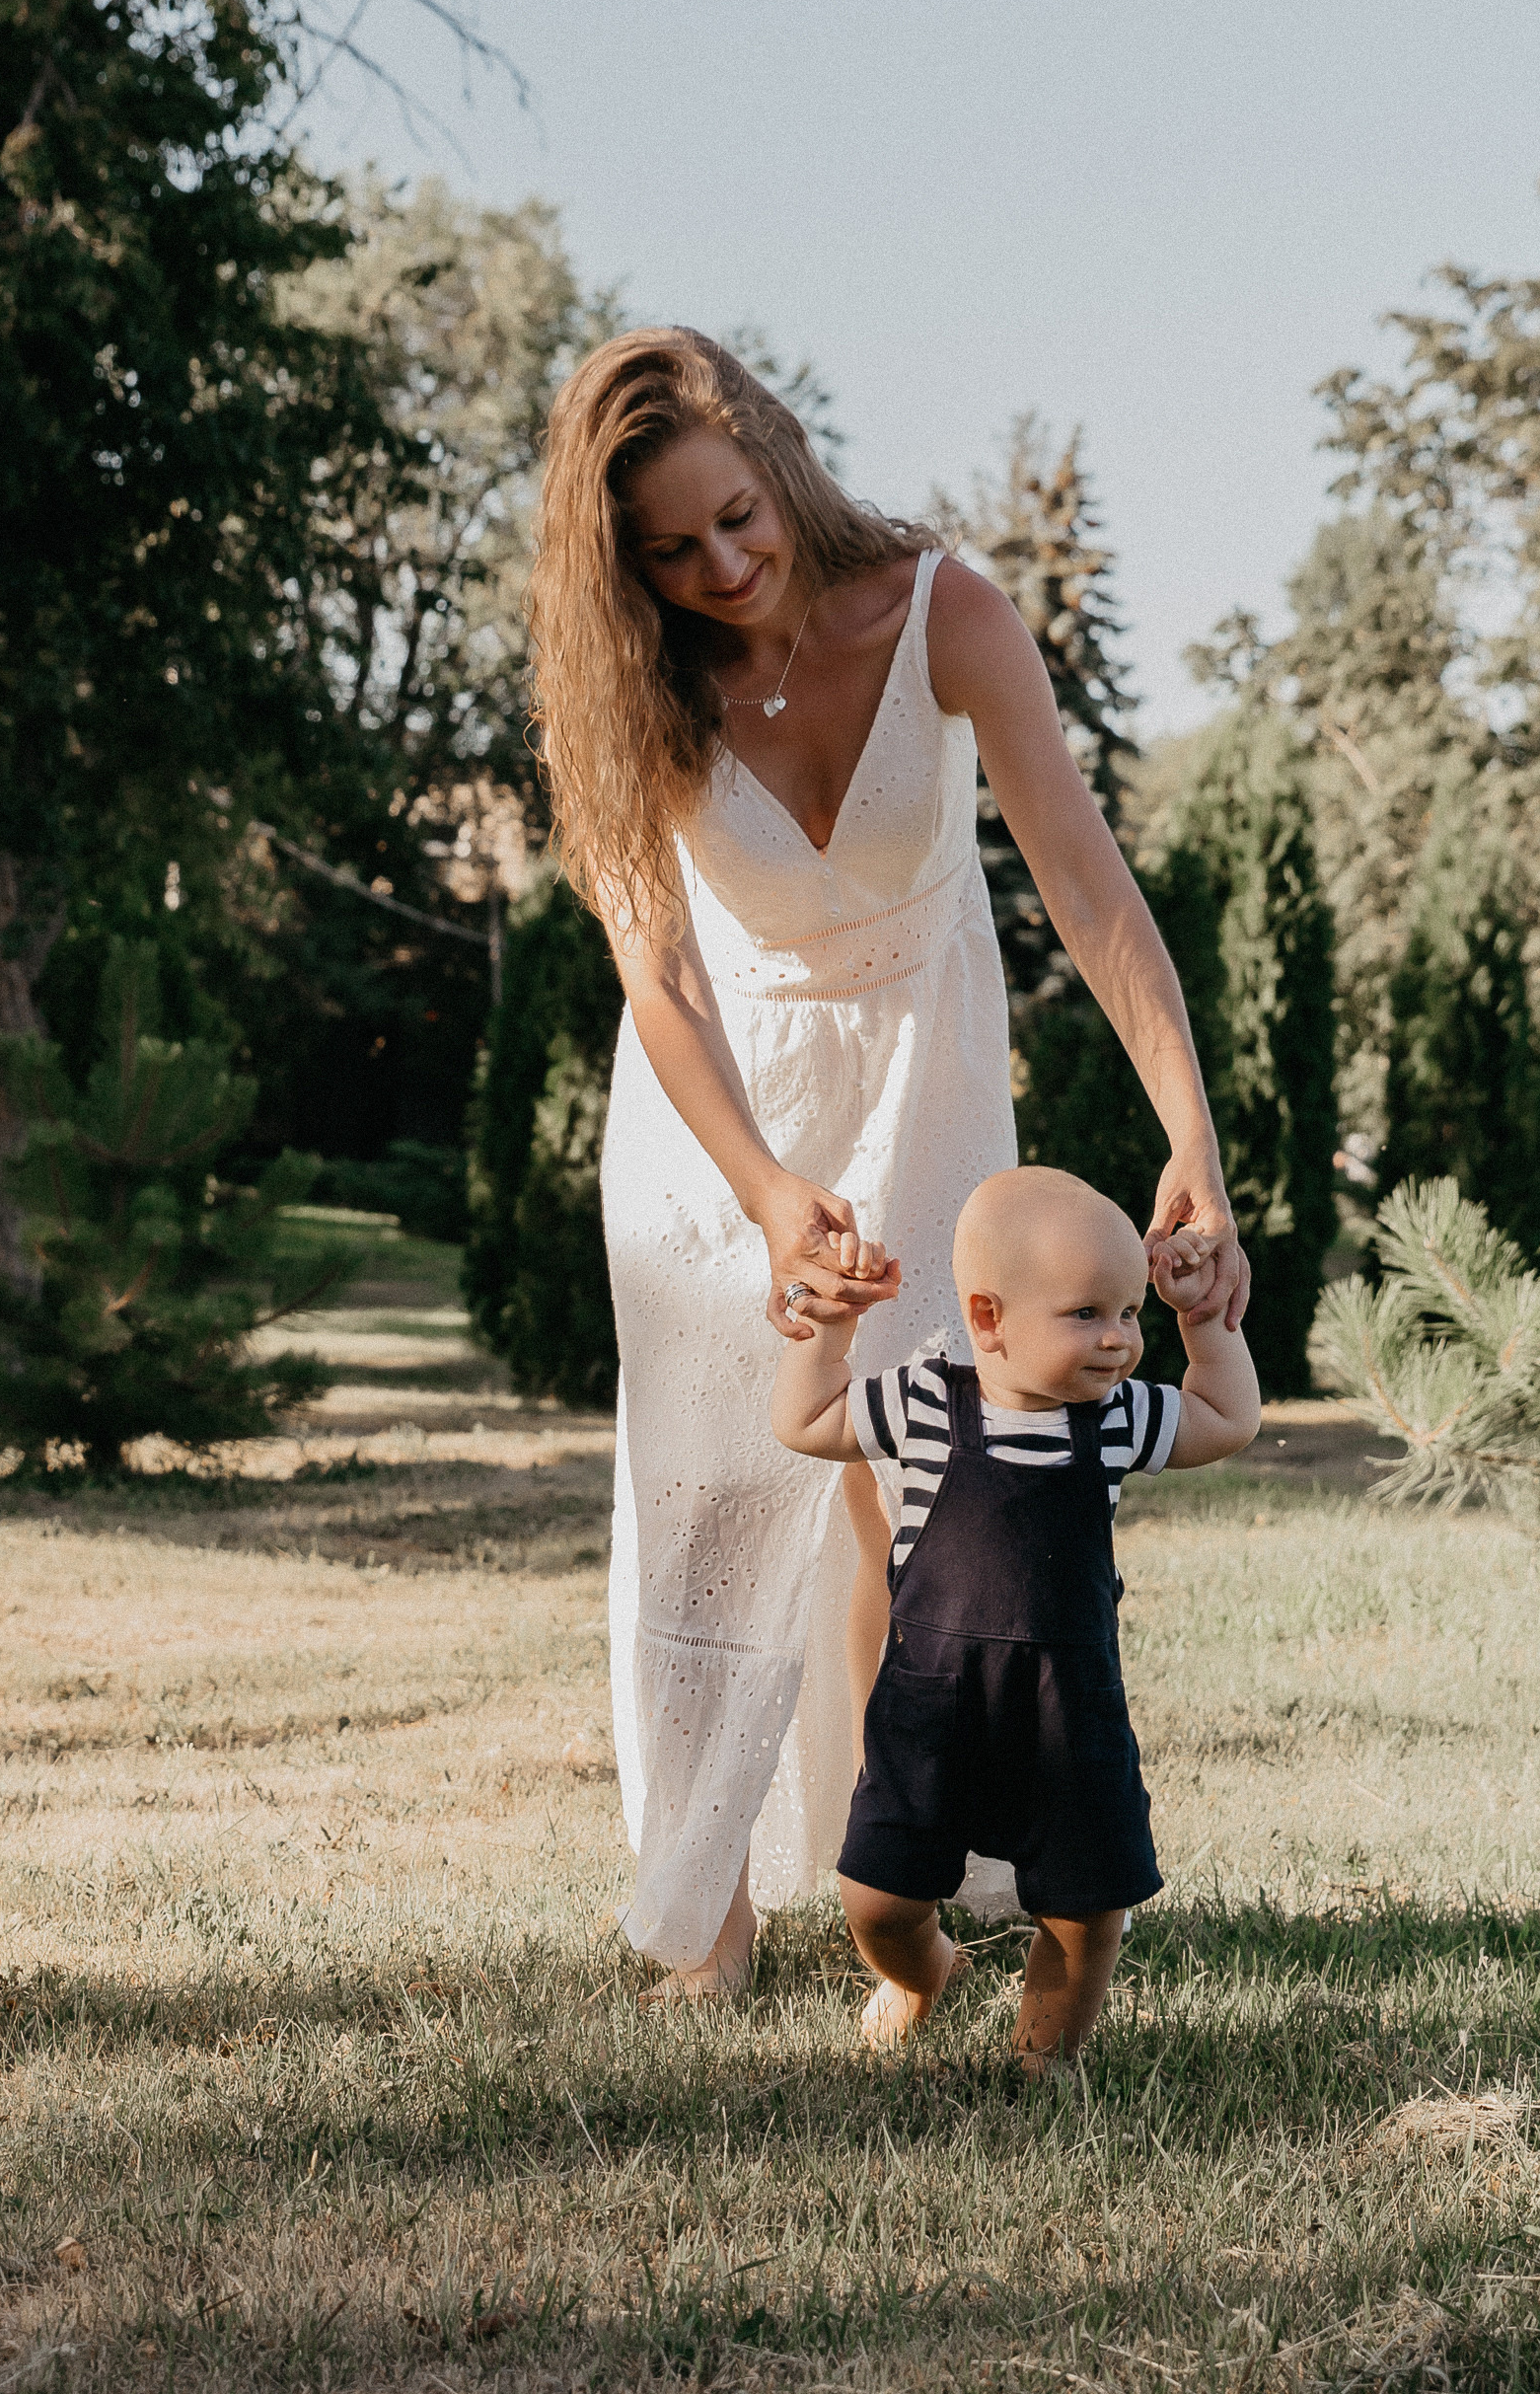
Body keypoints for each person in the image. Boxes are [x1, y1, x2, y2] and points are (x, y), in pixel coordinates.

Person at [525, 329, 1248, 1997]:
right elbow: (664, 975)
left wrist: (1187, 1135)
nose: (720, 565)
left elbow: (1085, 883)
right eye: (669, 550)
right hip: (723, 1109)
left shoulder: (944, 613)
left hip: (923, 1070)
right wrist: (770, 1192)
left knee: (914, 1486)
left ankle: (890, 1884)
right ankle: (697, 1899)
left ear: (771, 456)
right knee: (707, 1485)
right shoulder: (627, 686)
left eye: (734, 517)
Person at [771, 1165, 1261, 2067]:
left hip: (1065, 1713)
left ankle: (1047, 2055)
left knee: (1085, 1909)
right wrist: (830, 1331)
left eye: (1129, 1313)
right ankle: (923, 1973)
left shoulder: (1113, 1419)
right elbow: (805, 1420)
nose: (1118, 1340)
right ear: (988, 1317)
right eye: (1087, 1314)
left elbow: (1225, 1419)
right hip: (930, 1706)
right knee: (876, 1898)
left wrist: (1200, 1324)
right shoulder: (923, 1403)